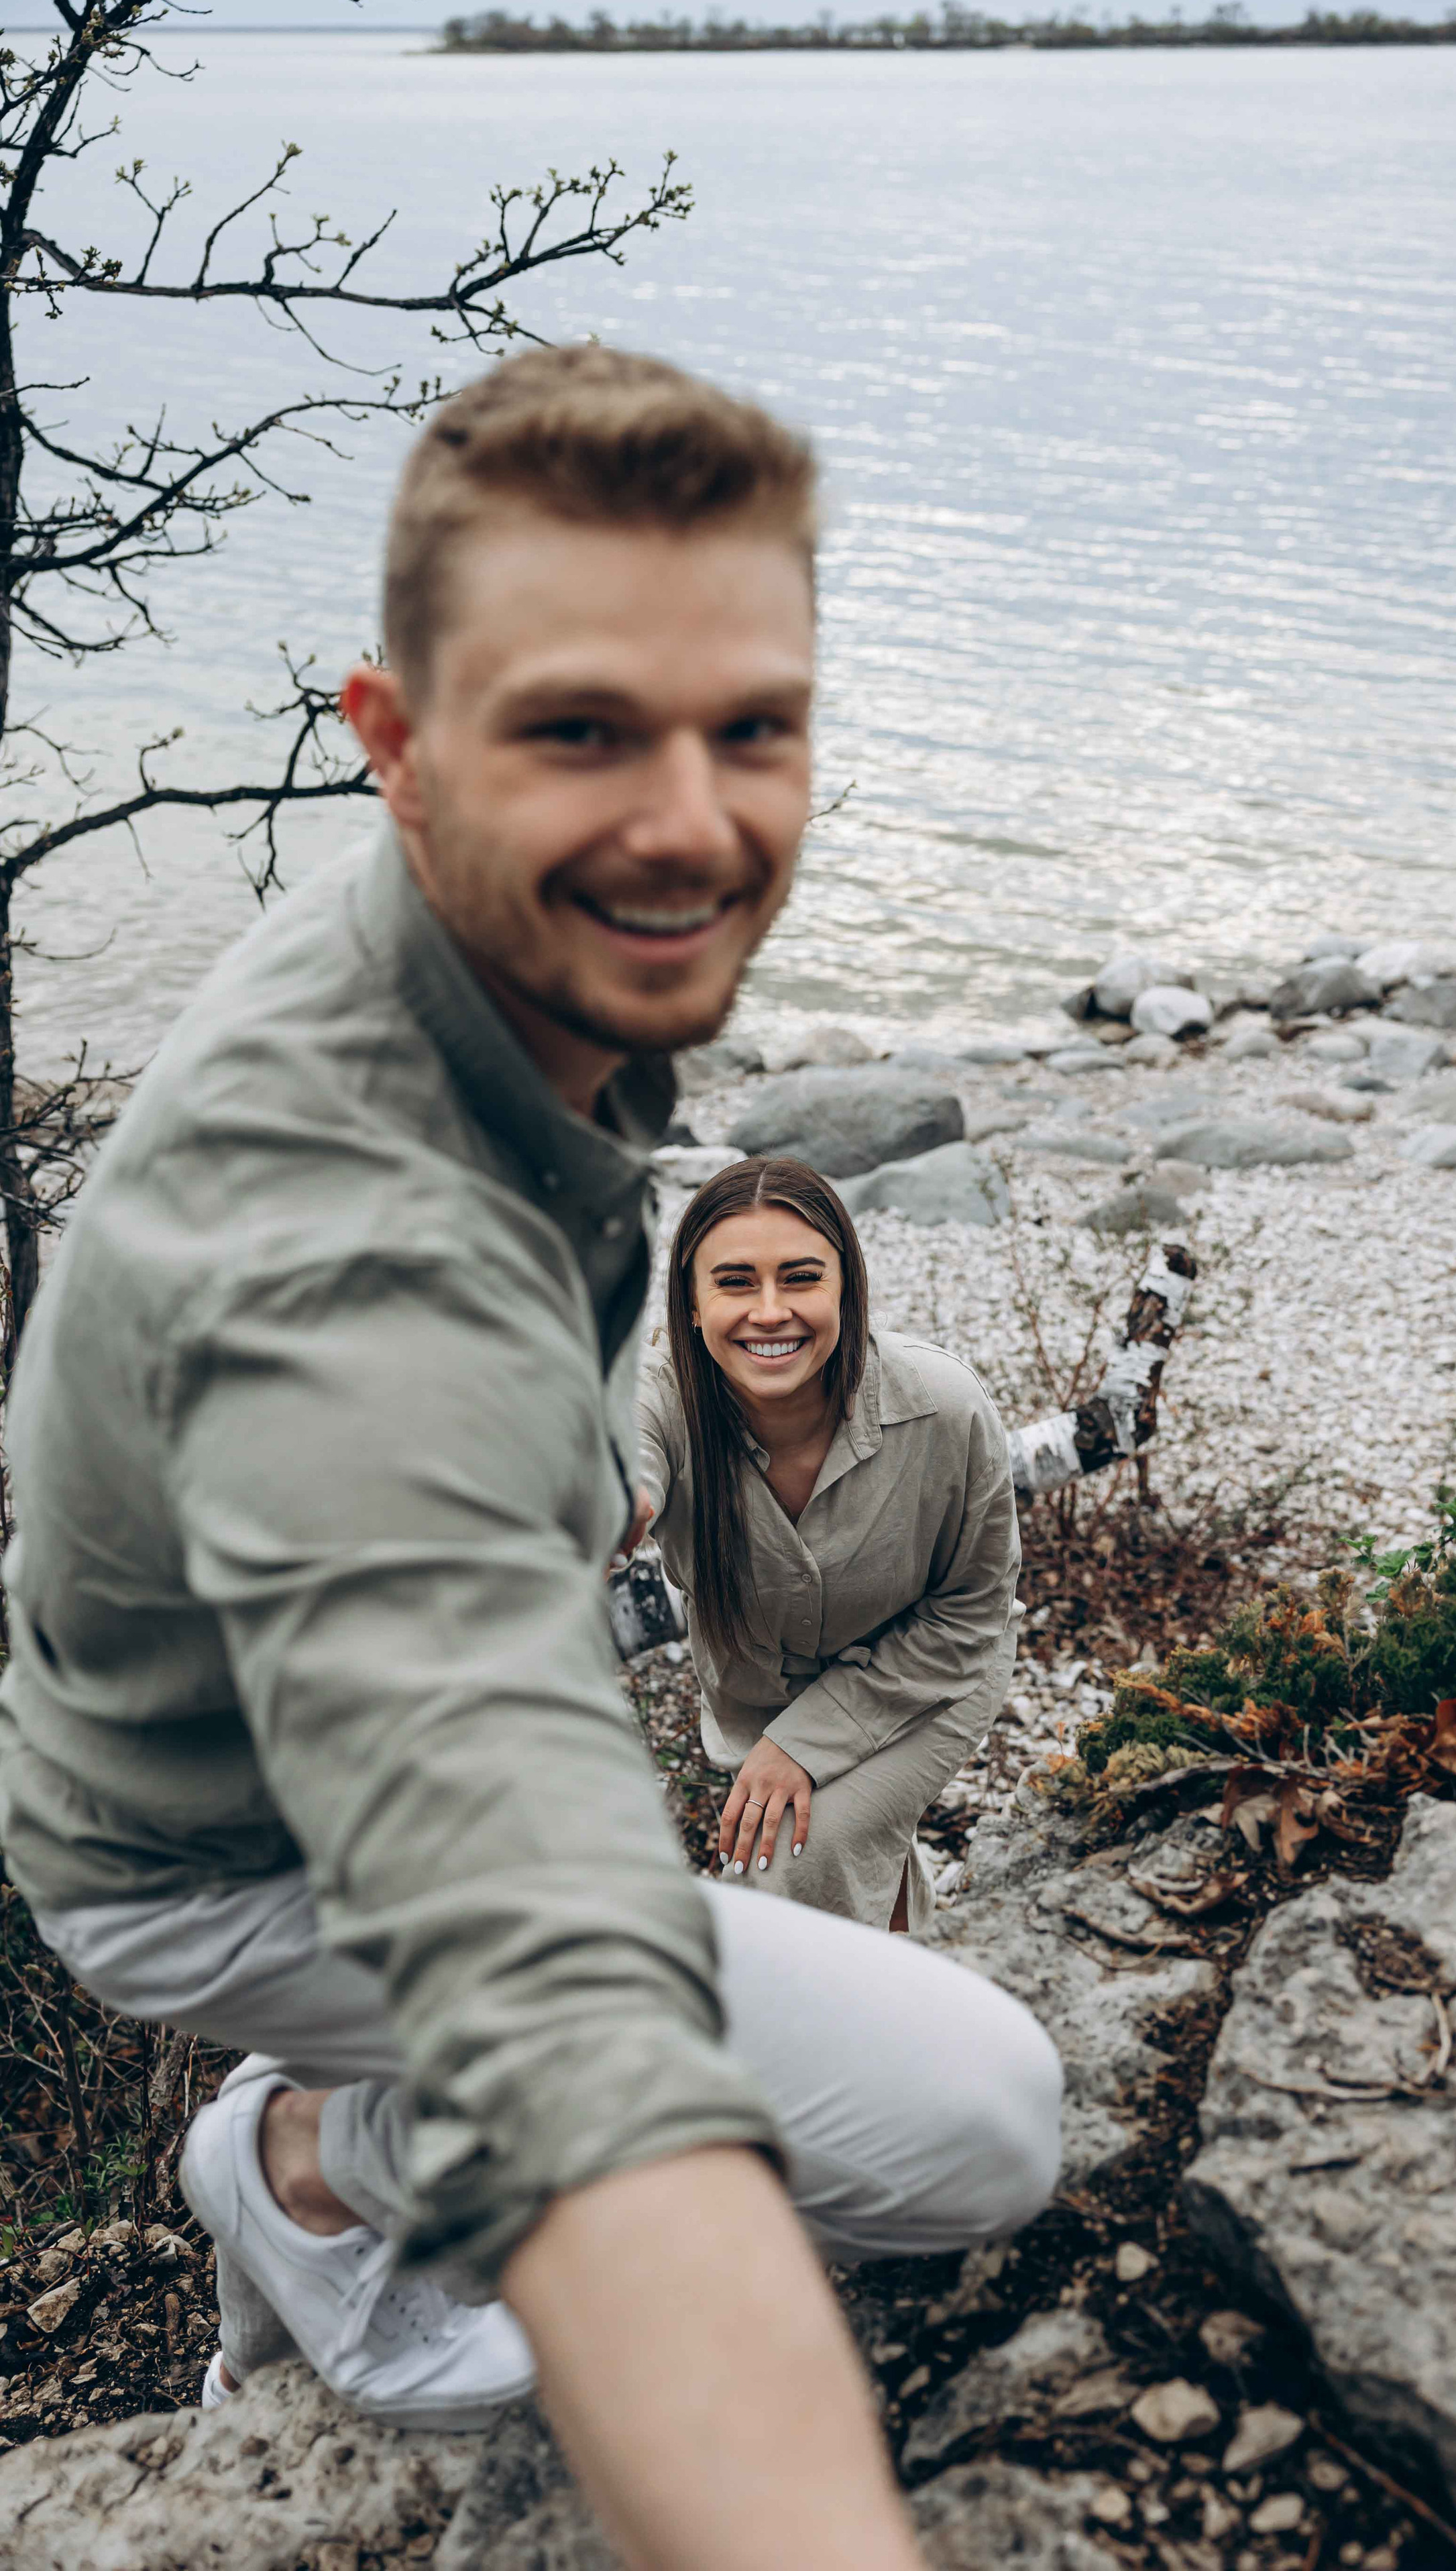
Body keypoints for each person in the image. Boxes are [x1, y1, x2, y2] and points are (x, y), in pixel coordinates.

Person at [0, 346, 1062, 2570]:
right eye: (582, 728)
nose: (691, 822)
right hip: (235, 1862)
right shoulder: (355, 1249)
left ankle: (321, 2144)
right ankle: (310, 2180)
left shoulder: (500, 966)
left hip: (274, 1759)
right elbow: (546, 1964)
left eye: (751, 727)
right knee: (979, 2121)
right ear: (396, 742)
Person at [634, 1156, 1018, 1935]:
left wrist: (803, 1744)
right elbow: (613, 1454)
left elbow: (972, 1612)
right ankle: (912, 1977)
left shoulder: (943, 1409)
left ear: (846, 1285)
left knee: (795, 1852)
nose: (768, 1312)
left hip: (931, 1675)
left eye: (800, 1278)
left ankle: (827, 2044)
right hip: (761, 1693)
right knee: (846, 1839)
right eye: (735, 1282)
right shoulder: (659, 1394)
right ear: (692, 1299)